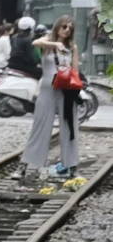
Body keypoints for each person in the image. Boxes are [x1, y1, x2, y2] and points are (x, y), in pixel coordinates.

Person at [24, 17, 85, 178]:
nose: (67, 30)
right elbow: (35, 43)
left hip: (66, 90)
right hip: (47, 89)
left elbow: (76, 70)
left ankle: (72, 166)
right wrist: (55, 44)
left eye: (70, 28)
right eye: (64, 26)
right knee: (41, 126)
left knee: (69, 127)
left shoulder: (72, 47)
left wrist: (76, 87)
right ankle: (25, 164)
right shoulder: (46, 43)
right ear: (58, 26)